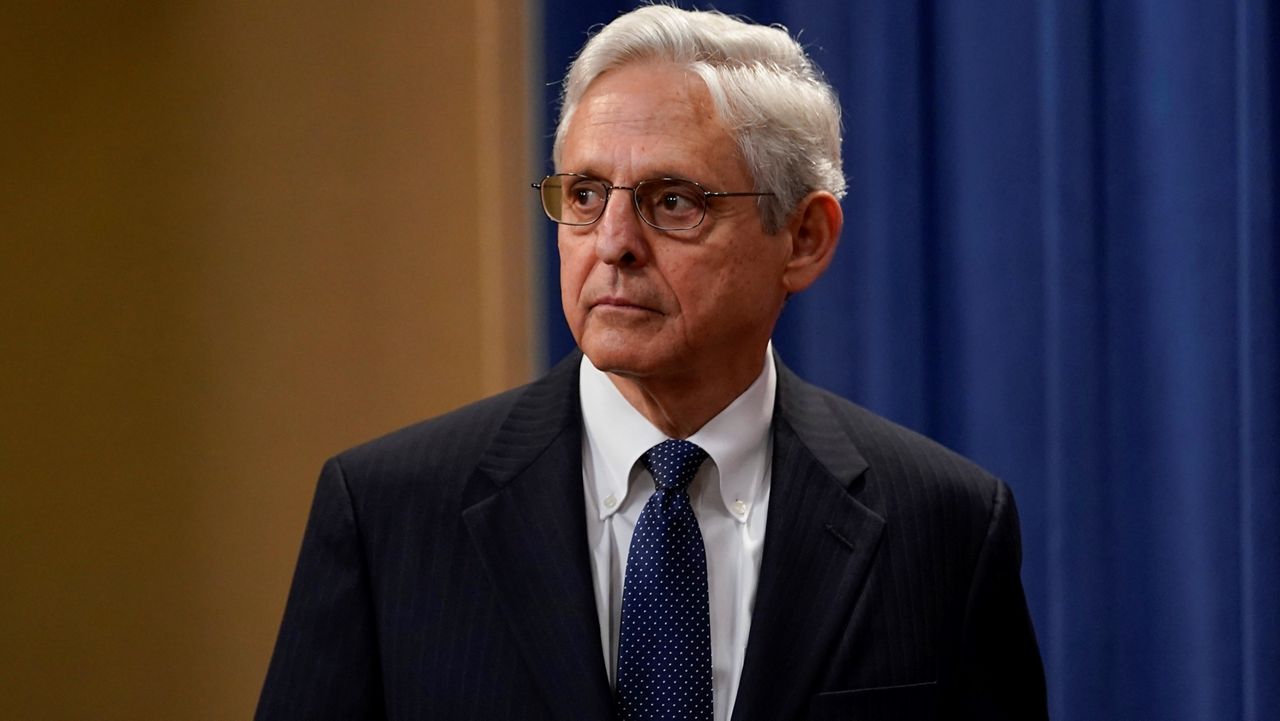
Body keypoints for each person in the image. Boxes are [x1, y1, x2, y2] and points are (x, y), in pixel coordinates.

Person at [255, 6, 1047, 720]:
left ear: (804, 238)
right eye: (586, 194)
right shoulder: (388, 515)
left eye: (674, 201)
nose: (614, 242)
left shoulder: (943, 525)